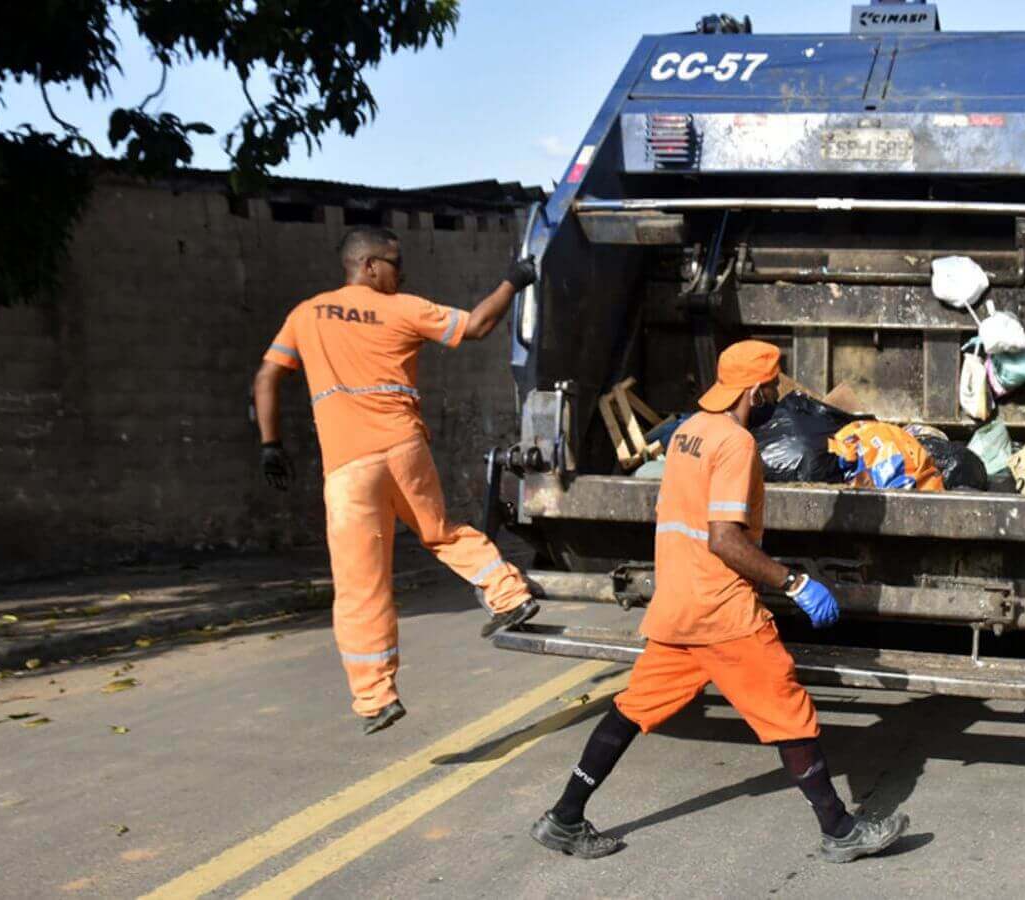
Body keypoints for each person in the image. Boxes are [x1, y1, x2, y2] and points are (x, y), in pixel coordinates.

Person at [529, 340, 909, 863]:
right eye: (774, 387)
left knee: (630, 710)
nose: (777, 395)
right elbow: (725, 539)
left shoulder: (687, 432)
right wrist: (794, 582)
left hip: (678, 605)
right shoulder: (735, 443)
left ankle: (564, 818)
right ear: (755, 390)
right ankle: (841, 831)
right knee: (789, 714)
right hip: (723, 612)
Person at [252, 226, 540, 735]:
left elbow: (267, 377)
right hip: (404, 449)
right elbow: (475, 326)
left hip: (348, 468)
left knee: (361, 584)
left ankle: (375, 699)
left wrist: (270, 445)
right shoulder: (402, 308)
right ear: (366, 265)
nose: (400, 272)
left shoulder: (306, 314)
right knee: (440, 532)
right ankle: (508, 594)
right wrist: (513, 281)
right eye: (393, 262)